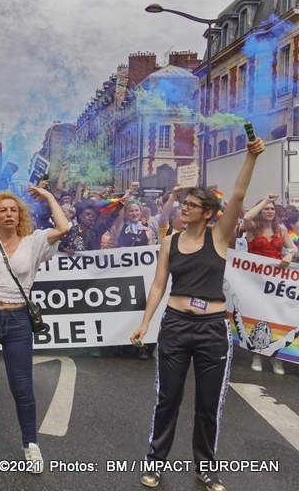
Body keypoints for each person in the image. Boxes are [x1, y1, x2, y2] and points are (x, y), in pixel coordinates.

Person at [130, 136, 265, 491]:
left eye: (192, 205)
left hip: (211, 329)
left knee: (208, 404)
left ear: (207, 213)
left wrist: (250, 158)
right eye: (184, 203)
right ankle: (155, 461)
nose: (184, 208)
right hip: (175, 324)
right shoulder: (168, 241)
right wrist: (145, 322)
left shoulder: (219, 236)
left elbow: (236, 197)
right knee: (168, 398)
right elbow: (159, 286)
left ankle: (206, 468)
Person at [0, 147, 69, 471]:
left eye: (13, 210)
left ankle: (30, 445)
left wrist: (47, 195)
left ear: (20, 215)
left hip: (19, 320)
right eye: (3, 210)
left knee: (22, 386)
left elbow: (63, 228)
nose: (8, 214)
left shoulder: (34, 241)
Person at [242, 194, 296, 374]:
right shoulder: (252, 228)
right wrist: (265, 200)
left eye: (272, 208)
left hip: (276, 280)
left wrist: (288, 255)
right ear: (260, 210)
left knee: (276, 317)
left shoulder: (280, 229)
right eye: (266, 208)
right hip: (255, 280)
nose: (270, 211)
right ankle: (257, 354)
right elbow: (247, 216)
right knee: (259, 317)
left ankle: (276, 358)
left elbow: (294, 250)